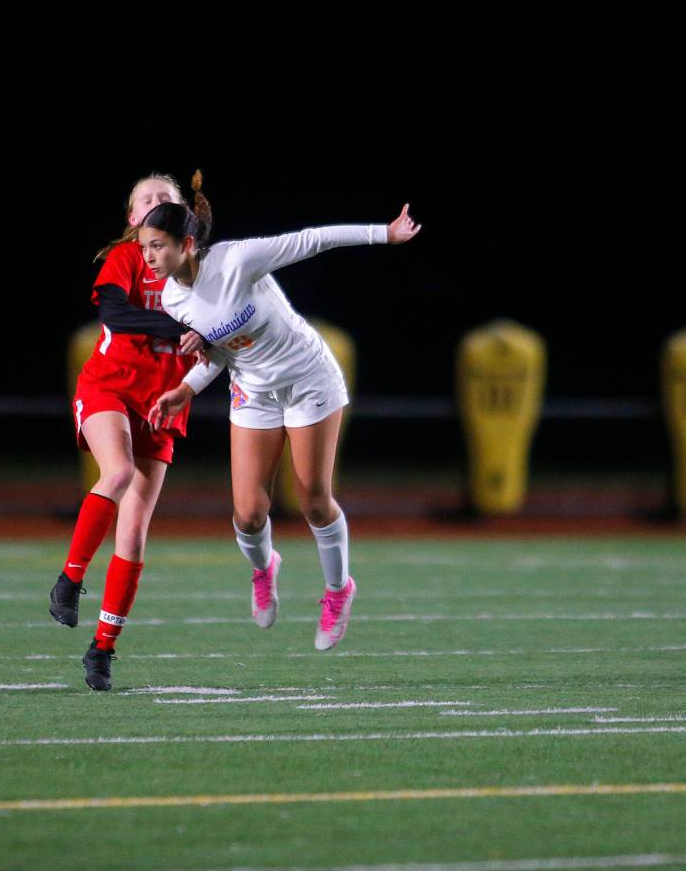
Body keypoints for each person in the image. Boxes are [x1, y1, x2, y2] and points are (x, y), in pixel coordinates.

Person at [144, 198, 421, 650]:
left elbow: (311, 240)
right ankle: (264, 568)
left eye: (157, 246)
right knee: (249, 513)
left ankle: (338, 590)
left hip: (308, 380)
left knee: (314, 501)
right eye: (145, 249)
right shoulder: (174, 298)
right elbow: (223, 350)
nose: (149, 257)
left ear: (187, 244)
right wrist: (187, 388)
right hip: (254, 390)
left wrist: (383, 234)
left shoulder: (236, 259)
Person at [50, 173, 214, 691]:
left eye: (165, 197)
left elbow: (227, 329)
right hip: (111, 386)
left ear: (184, 217)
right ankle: (71, 579)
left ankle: (102, 648)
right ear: (131, 218)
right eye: (145, 198)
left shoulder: (201, 271)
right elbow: (118, 315)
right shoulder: (127, 257)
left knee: (136, 530)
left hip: (161, 406)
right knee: (116, 472)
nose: (155, 203)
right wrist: (185, 328)